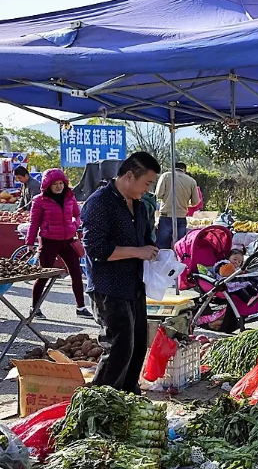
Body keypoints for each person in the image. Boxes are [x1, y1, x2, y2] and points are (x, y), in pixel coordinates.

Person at [81, 151, 161, 393]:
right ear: (129, 176)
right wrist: (138, 252)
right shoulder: (99, 203)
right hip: (108, 287)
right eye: (146, 183)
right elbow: (97, 249)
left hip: (134, 284)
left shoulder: (138, 205)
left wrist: (156, 253)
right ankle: (101, 401)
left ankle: (127, 396)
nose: (148, 189)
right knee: (119, 345)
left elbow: (145, 240)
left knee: (136, 346)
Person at [25, 169, 88, 318]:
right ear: (48, 185)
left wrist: (74, 224)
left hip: (68, 241)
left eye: (61, 183)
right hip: (49, 242)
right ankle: (34, 308)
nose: (59, 186)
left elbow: (77, 214)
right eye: (55, 184)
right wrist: (29, 242)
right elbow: (34, 223)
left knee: (76, 273)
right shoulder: (39, 200)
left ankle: (81, 307)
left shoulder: (70, 197)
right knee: (43, 275)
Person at [155, 161, 199, 249]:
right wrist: (185, 203)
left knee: (163, 246)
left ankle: (163, 262)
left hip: (166, 215)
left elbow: (158, 195)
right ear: (184, 170)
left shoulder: (166, 176)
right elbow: (195, 201)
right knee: (180, 247)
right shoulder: (191, 181)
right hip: (181, 217)